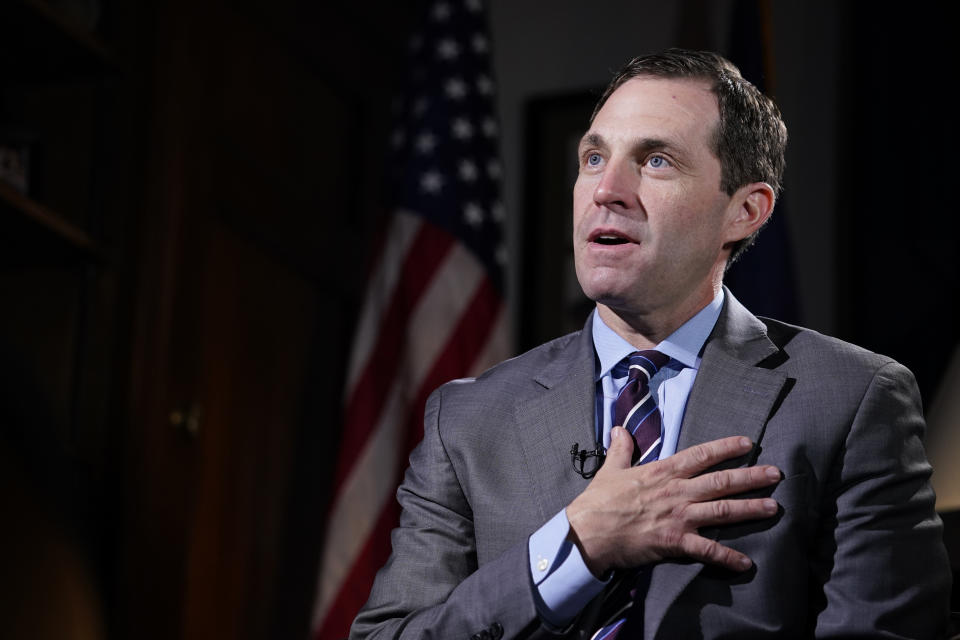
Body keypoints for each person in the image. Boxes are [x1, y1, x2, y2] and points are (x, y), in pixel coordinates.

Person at [349, 49, 951, 639]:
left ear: (745, 211)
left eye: (656, 160)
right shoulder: (468, 419)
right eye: (592, 157)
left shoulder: (851, 400)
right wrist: (578, 543)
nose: (607, 189)